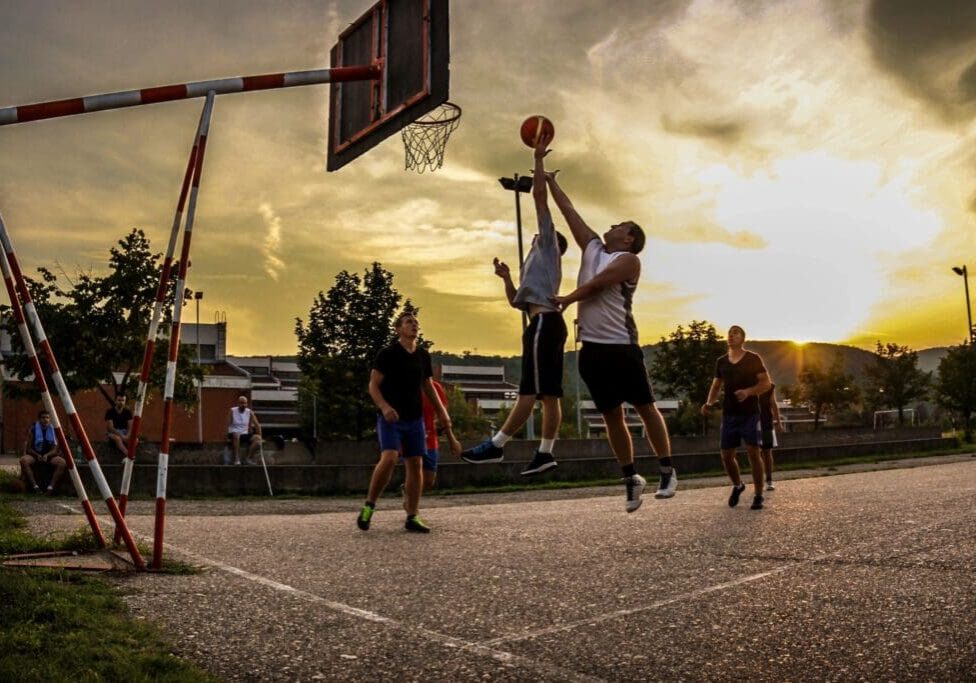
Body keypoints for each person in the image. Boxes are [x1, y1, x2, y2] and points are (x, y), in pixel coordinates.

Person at [547, 171, 677, 512]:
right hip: (591, 350)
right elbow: (568, 211)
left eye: (620, 224)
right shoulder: (592, 246)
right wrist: (549, 180)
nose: (613, 225)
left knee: (645, 408)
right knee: (611, 416)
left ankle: (666, 470)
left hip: (621, 347)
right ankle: (631, 477)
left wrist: (566, 299)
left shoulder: (628, 260)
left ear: (629, 238)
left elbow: (600, 284)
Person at [461, 130, 570, 476]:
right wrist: (507, 278)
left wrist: (538, 160)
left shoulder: (549, 246)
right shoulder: (532, 268)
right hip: (540, 323)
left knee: (528, 392)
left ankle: (496, 446)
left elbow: (540, 199)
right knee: (549, 396)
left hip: (545, 325)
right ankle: (545, 453)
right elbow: (515, 304)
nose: (538, 232)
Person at [358, 312, 455, 533]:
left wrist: (443, 413)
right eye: (409, 322)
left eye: (416, 323)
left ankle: (412, 516)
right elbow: (373, 385)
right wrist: (384, 407)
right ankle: (369, 505)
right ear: (398, 328)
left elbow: (428, 386)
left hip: (415, 419)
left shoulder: (422, 355)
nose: (414, 325)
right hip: (391, 418)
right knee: (390, 458)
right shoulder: (388, 354)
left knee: (416, 464)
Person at [701, 325, 772, 510]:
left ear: (743, 338)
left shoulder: (753, 359)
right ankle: (738, 485)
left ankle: (758, 495)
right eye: (729, 333)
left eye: (735, 333)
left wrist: (748, 392)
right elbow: (716, 385)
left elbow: (765, 384)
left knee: (753, 453)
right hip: (729, 414)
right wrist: (709, 403)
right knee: (726, 455)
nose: (731, 336)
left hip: (750, 414)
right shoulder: (722, 361)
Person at [20, 409, 66, 495]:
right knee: (23, 460)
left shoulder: (53, 430)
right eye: (43, 417)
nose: (46, 420)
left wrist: (46, 455)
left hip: (49, 456)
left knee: (62, 463)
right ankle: (35, 487)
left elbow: (55, 449)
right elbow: (28, 448)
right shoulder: (33, 430)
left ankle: (50, 487)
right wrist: (37, 455)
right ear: (39, 419)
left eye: (48, 417)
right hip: (35, 455)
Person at [759, 384, 783, 491]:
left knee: (767, 451)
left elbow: (773, 403)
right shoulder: (747, 383)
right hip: (751, 422)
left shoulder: (769, 386)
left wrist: (778, 422)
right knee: (756, 452)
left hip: (766, 422)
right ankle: (760, 480)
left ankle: (769, 479)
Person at [226, 395, 263, 465]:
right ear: (238, 403)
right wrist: (226, 436)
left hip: (245, 433)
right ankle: (237, 459)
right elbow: (228, 424)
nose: (243, 405)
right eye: (241, 403)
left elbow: (257, 425)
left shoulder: (249, 412)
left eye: (245, 403)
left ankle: (248, 458)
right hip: (234, 433)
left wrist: (260, 436)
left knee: (258, 441)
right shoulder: (232, 410)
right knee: (236, 434)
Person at [105, 393, 133, 458]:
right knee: (118, 439)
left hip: (125, 432)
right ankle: (129, 455)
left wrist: (127, 435)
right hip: (113, 432)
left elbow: (130, 426)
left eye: (123, 400)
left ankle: (128, 455)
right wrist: (122, 436)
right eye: (119, 400)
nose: (121, 402)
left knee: (135, 440)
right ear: (115, 401)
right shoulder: (110, 411)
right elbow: (110, 427)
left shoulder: (127, 412)